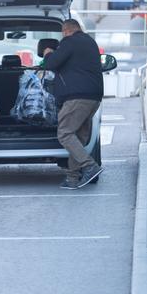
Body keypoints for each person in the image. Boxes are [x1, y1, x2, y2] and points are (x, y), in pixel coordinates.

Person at [42, 19, 104, 189]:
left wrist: (48, 52)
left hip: (77, 98)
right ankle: (72, 177)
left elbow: (51, 64)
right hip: (94, 97)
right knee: (78, 137)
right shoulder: (90, 42)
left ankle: (90, 166)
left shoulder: (69, 42)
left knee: (64, 133)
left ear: (66, 31)